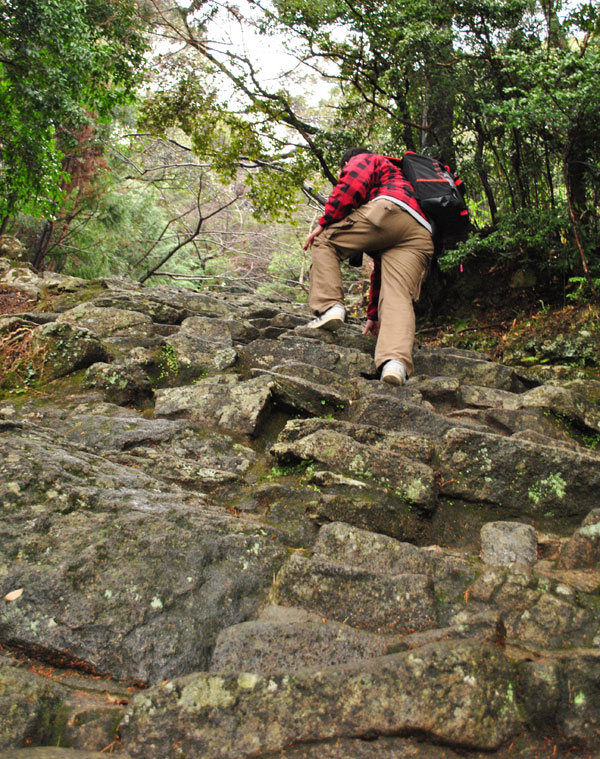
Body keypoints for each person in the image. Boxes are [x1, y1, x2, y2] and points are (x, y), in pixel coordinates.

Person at [303, 148, 434, 386]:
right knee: (398, 294)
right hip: (420, 233)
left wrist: (326, 221)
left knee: (323, 241)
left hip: (388, 210)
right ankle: (395, 363)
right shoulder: (403, 183)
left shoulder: (366, 159)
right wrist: (373, 314)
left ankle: (330, 306)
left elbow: (352, 182)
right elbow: (381, 272)